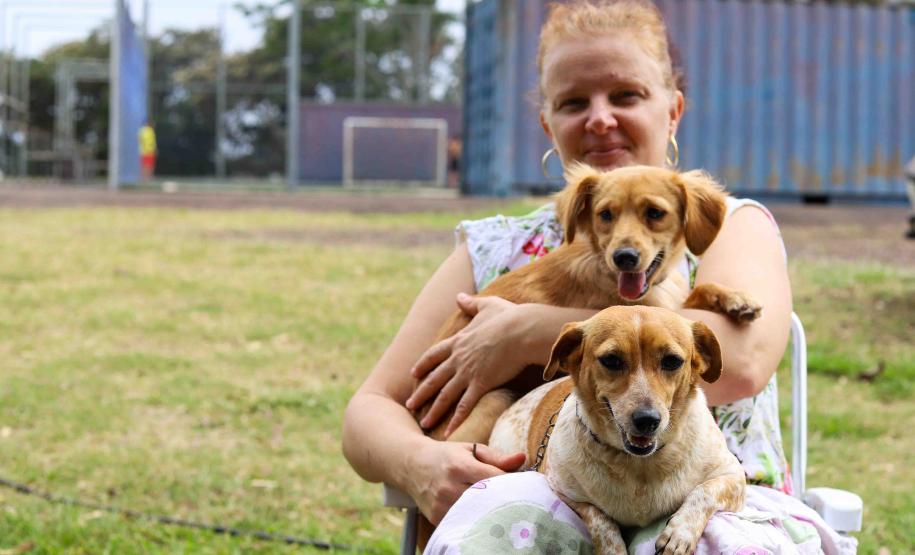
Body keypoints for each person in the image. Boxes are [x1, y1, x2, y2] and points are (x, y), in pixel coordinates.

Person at [343, 1, 856, 552]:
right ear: (547, 124)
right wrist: (422, 463)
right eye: (572, 102)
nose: (601, 118)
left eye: (626, 95)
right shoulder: (496, 249)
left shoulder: (723, 224)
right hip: (535, 493)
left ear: (673, 109)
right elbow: (368, 412)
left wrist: (520, 333)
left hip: (716, 502)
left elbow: (740, 363)